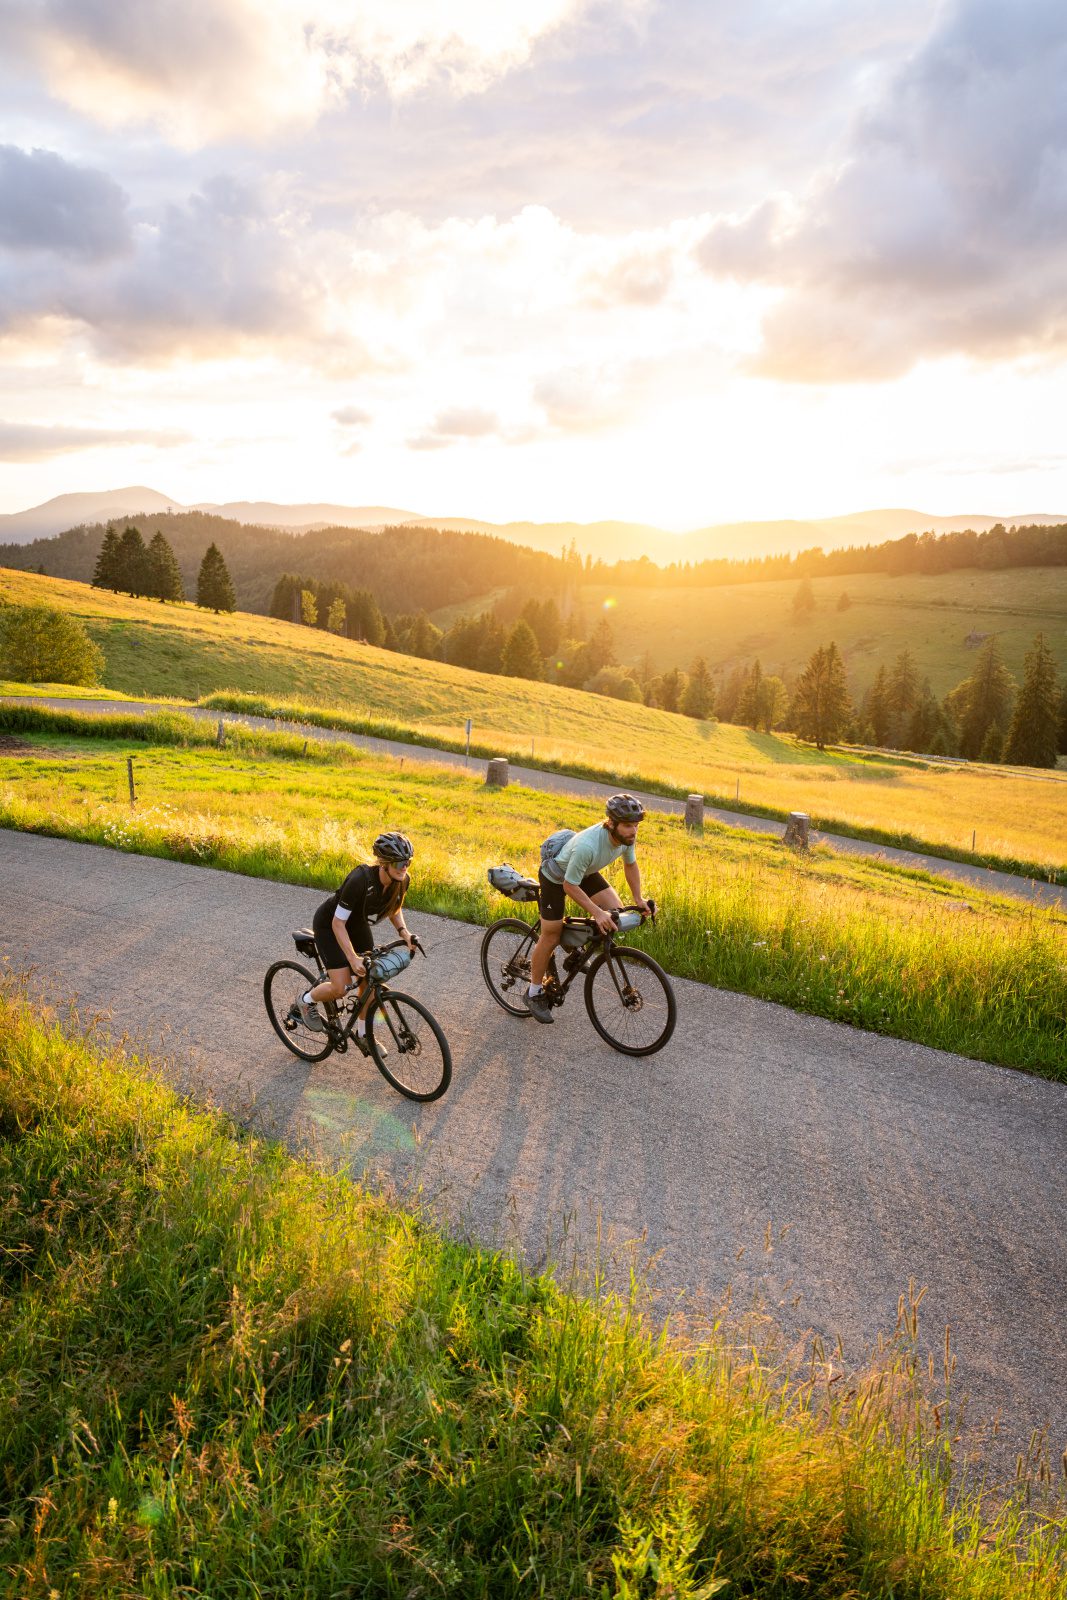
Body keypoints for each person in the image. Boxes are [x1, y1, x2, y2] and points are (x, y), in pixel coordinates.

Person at [528, 793, 650, 1023]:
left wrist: (639, 898)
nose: (633, 831)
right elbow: (569, 885)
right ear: (611, 824)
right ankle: (534, 992)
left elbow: (631, 865)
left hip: (583, 872)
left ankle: (576, 954)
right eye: (627, 826)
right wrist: (596, 911)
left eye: (636, 825)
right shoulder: (588, 845)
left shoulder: (625, 840)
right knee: (551, 934)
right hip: (556, 878)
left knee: (616, 913)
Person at [298, 832, 416, 1053]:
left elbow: (394, 907)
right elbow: (337, 924)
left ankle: (363, 1034)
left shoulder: (402, 881)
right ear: (384, 863)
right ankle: (305, 1001)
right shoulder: (359, 880)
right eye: (400, 863)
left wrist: (404, 933)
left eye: (407, 862)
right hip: (330, 925)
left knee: (369, 977)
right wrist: (352, 958)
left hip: (358, 924)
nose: (404, 867)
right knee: (340, 987)